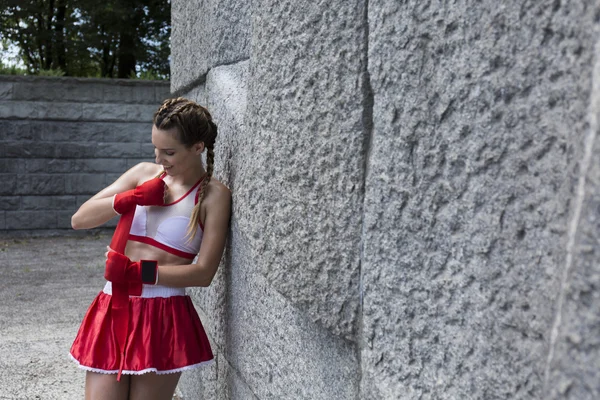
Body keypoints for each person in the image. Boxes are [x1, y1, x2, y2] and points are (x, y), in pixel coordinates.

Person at [69, 97, 231, 400]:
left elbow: (204, 272)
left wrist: (137, 271)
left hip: (163, 313)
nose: (159, 159)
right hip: (113, 303)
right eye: (155, 148)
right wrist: (131, 198)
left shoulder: (213, 195)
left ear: (198, 147)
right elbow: (80, 219)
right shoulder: (143, 174)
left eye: (169, 152)